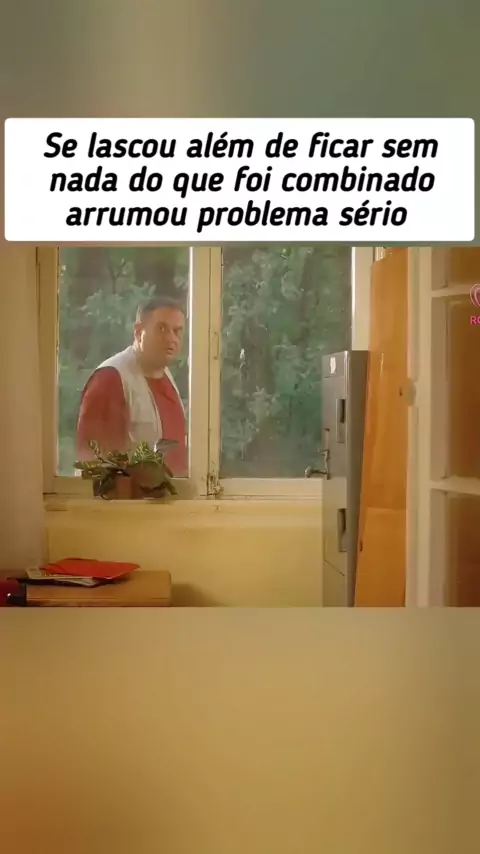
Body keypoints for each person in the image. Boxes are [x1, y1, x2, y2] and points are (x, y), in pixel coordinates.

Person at [76, 295, 188, 476]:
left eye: (177, 331)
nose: (171, 338)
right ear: (138, 331)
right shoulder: (110, 379)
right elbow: (95, 468)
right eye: (161, 329)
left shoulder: (165, 375)